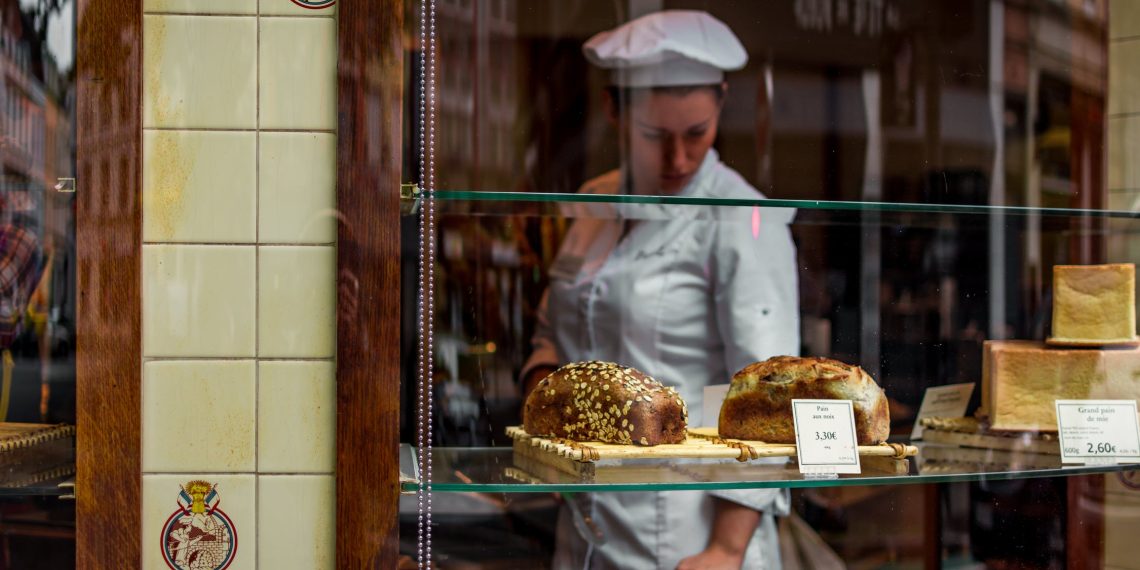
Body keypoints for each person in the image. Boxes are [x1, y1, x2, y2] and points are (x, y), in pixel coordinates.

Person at [521, 11, 800, 570]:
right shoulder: (593, 204)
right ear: (613, 112)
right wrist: (544, 424)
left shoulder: (743, 218)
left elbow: (769, 398)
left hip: (687, 533)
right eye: (655, 137)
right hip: (584, 521)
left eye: (696, 134)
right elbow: (554, 333)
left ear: (721, 105)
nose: (678, 159)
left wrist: (725, 549)